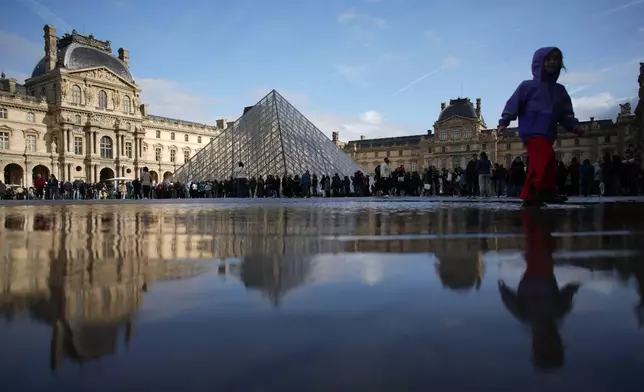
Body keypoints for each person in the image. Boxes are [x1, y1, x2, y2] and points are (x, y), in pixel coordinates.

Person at [497, 47, 585, 207]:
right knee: (547, 157)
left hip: (548, 132)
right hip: (531, 130)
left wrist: (574, 126)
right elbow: (513, 104)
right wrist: (504, 122)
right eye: (549, 58)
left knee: (539, 162)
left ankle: (530, 196)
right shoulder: (527, 86)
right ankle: (545, 190)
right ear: (539, 62)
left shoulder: (560, 90)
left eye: (556, 59)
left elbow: (566, 114)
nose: (553, 62)